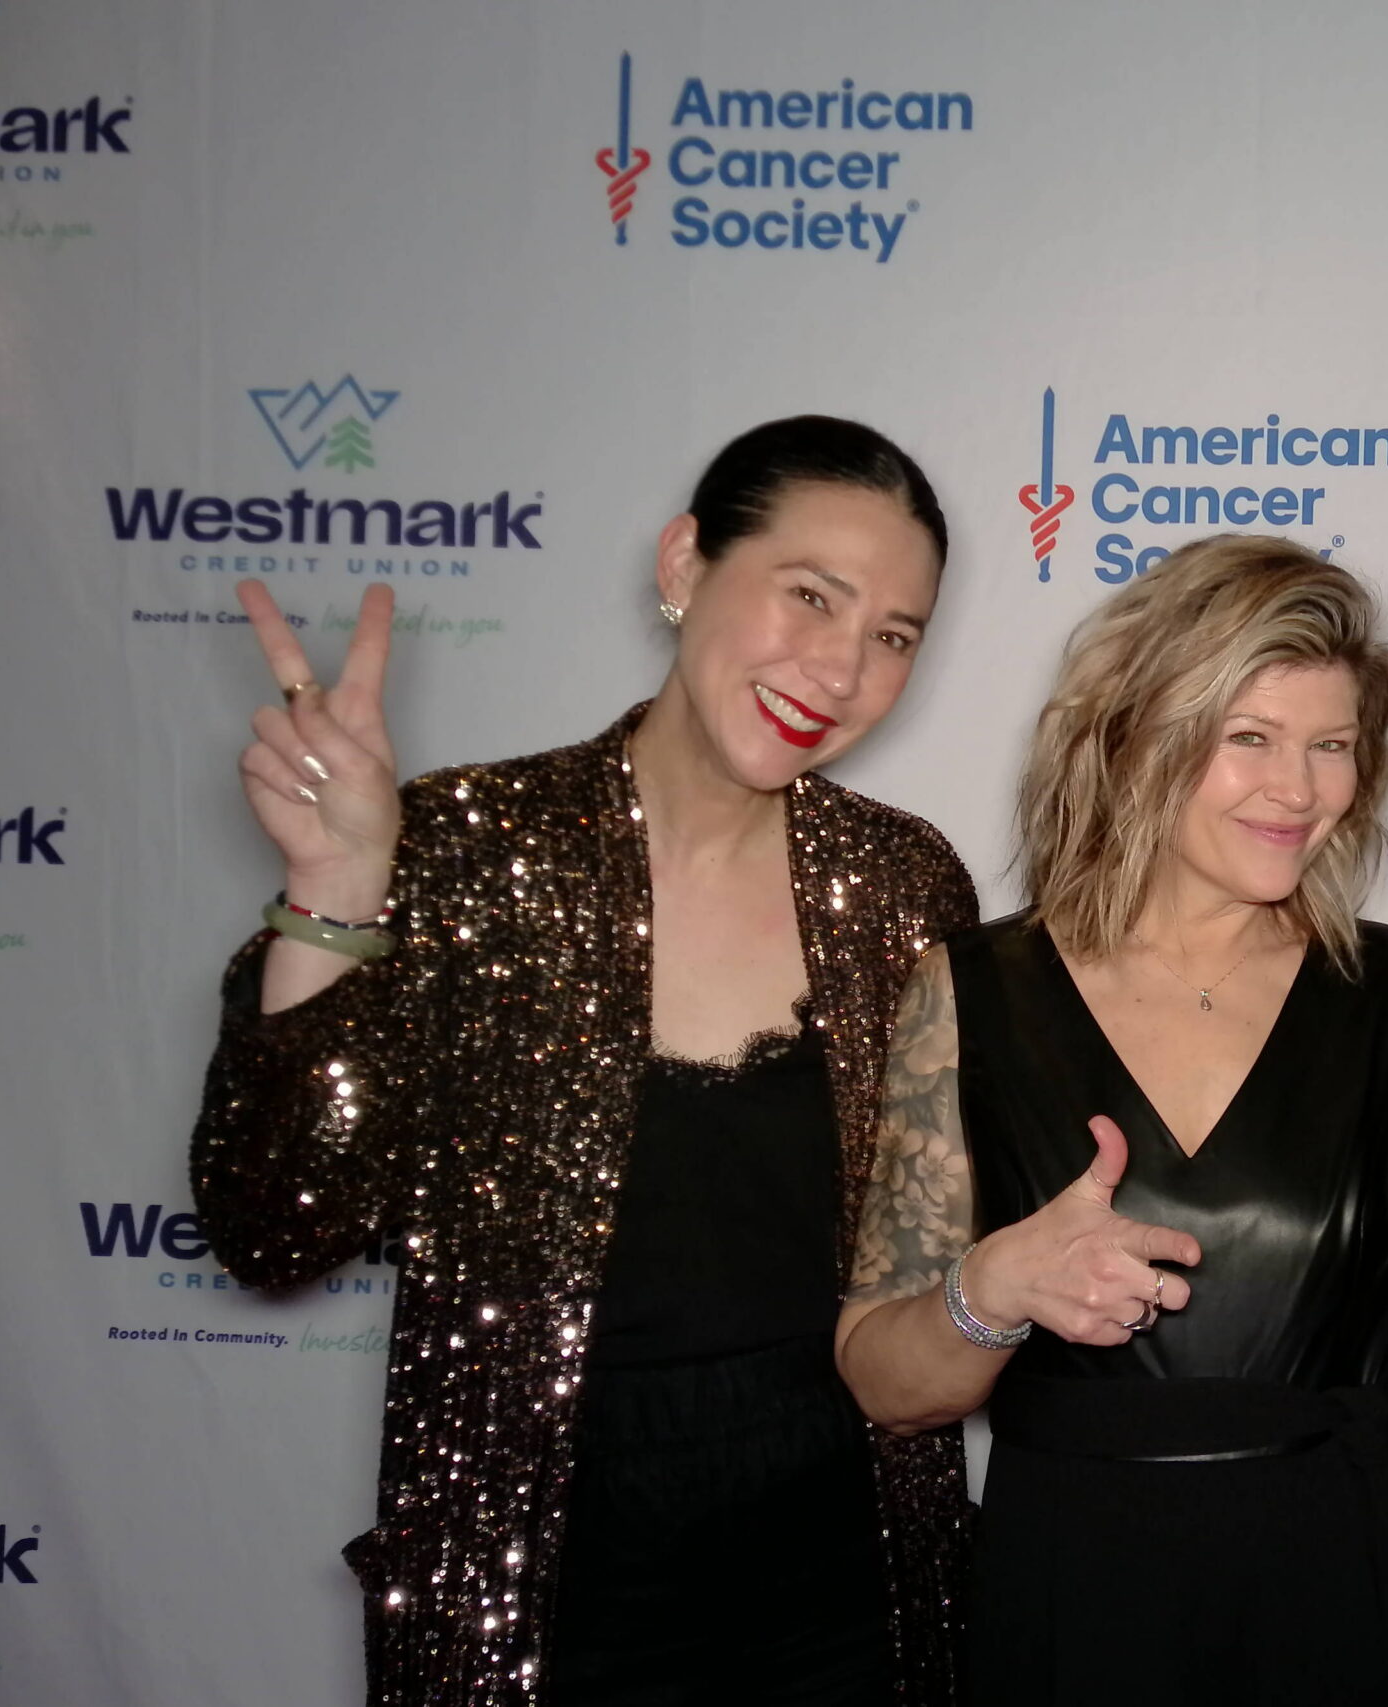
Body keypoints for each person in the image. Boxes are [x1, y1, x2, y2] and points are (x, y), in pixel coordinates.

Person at [189, 416, 977, 1706]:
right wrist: (335, 890)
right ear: (683, 566)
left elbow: (932, 1253)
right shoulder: (467, 848)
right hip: (540, 1591)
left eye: (894, 636)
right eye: (810, 596)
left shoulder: (901, 883)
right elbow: (274, 1226)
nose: (840, 668)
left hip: (850, 1578)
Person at [833, 534, 1388, 1707]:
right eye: (1248, 738)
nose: (1299, 790)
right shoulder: (970, 994)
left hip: (1354, 1576)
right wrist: (994, 1286)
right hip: (1076, 1586)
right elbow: (886, 1383)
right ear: (1135, 738)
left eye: (1332, 746)